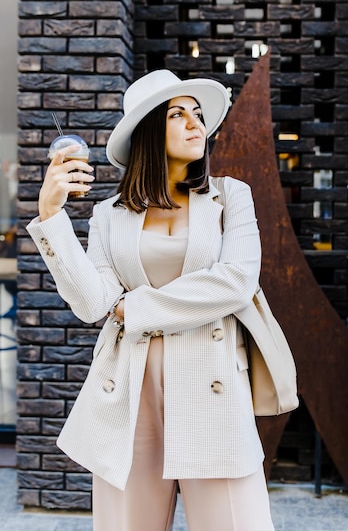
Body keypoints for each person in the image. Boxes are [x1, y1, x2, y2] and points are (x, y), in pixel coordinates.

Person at [27, 69, 276, 531]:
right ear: (147, 129)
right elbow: (92, 302)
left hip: (213, 383)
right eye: (177, 114)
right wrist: (51, 217)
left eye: (198, 114)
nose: (195, 123)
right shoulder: (108, 214)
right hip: (128, 387)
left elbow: (236, 281)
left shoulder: (230, 196)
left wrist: (132, 308)